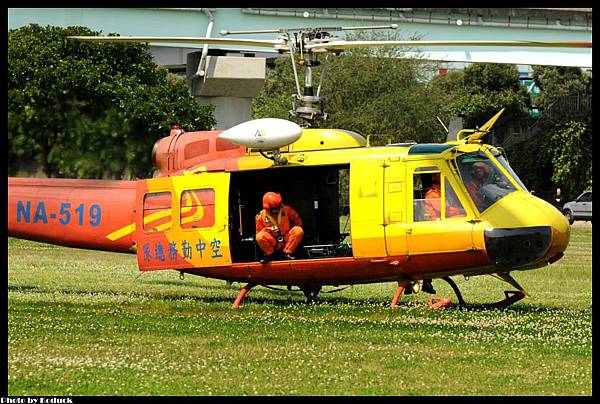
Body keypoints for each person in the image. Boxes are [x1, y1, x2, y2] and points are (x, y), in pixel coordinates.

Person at [255, 192, 304, 263]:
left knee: (298, 230)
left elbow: (297, 221)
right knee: (259, 236)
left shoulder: (287, 210)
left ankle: (288, 252)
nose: (276, 211)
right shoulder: (260, 216)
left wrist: (291, 234)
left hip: (286, 239)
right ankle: (270, 254)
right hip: (272, 241)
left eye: (278, 208)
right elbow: (259, 232)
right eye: (274, 209)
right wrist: (269, 230)